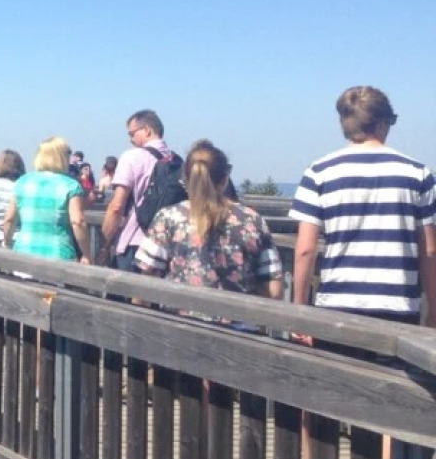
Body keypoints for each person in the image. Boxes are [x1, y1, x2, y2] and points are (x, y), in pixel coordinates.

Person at [290, 87, 436, 329]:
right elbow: (429, 251)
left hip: (336, 304)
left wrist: (299, 311)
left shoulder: (319, 172)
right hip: (398, 305)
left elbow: (305, 249)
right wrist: (433, 311)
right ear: (381, 123)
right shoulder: (418, 174)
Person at [135, 140, 283, 304]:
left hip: (178, 316)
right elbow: (274, 289)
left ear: (185, 178)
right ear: (225, 179)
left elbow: (146, 280)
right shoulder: (252, 220)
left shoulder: (168, 218)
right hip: (238, 319)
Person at [101, 109, 176, 270]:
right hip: (167, 244)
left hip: (135, 241)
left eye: (132, 133)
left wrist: (104, 242)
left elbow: (117, 206)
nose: (130, 139)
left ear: (147, 130)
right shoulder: (177, 161)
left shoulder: (132, 156)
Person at [4, 136, 91, 262]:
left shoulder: (22, 182)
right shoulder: (71, 185)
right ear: (61, 157)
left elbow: (9, 219)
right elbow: (78, 222)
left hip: (23, 253)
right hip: (59, 255)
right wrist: (87, 255)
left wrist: (7, 242)